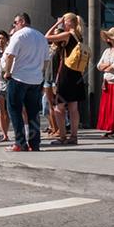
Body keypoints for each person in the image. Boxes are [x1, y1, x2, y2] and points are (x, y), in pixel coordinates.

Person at [0, 12, 49, 152]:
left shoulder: (19, 35)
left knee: (14, 109)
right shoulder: (41, 37)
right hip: (36, 79)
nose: (14, 25)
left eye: (15, 23)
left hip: (19, 78)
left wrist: (7, 73)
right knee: (33, 112)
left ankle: (20, 143)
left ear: (21, 21)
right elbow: (46, 61)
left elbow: (10, 56)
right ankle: (34, 143)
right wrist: (40, 73)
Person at [45, 12, 88, 145]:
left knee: (59, 108)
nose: (63, 23)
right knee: (73, 107)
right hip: (76, 74)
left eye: (64, 21)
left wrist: (56, 24)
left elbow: (47, 37)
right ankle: (74, 136)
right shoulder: (79, 36)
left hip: (66, 75)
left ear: (70, 22)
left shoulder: (68, 35)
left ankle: (62, 136)